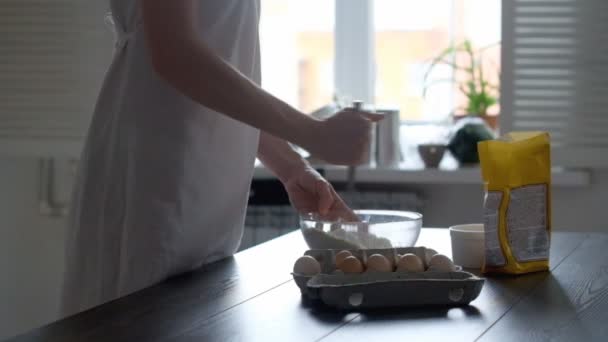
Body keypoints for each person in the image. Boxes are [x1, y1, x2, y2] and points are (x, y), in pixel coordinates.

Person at [61, 0, 382, 316]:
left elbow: (222, 72)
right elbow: (175, 52)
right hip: (155, 173)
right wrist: (314, 134)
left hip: (196, 184)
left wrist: (291, 166)